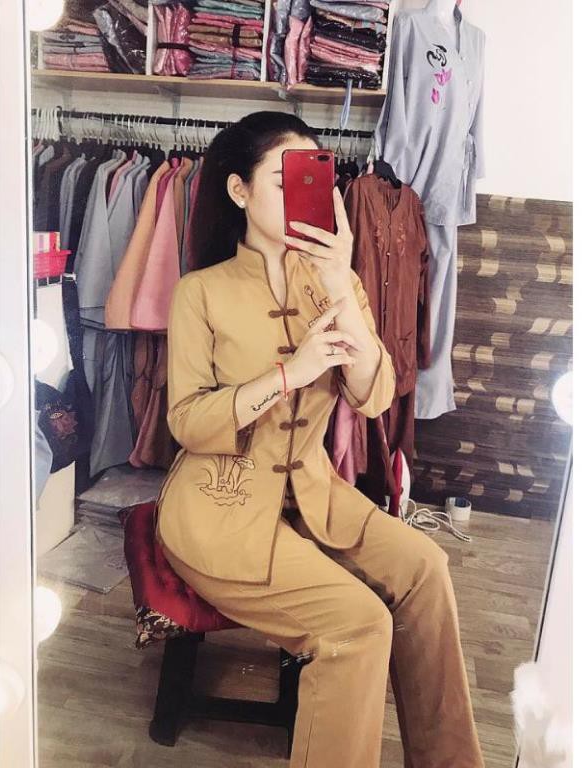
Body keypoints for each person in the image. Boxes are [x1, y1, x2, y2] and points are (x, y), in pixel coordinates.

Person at [155, 110, 485, 768]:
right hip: (217, 507)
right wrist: (290, 373)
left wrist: (338, 281)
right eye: (285, 181)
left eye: (314, 179)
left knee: (427, 569)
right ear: (239, 191)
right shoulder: (200, 293)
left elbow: (376, 395)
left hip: (314, 494)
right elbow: (187, 421)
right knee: (358, 625)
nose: (305, 194)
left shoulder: (337, 281)